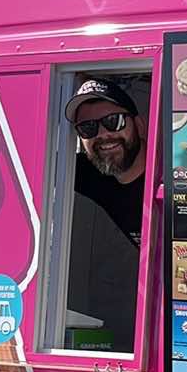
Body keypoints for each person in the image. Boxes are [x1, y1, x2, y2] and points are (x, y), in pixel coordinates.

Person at [65, 77, 148, 246]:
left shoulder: (174, 176)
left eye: (114, 121)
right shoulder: (90, 174)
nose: (102, 134)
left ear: (139, 126)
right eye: (87, 128)